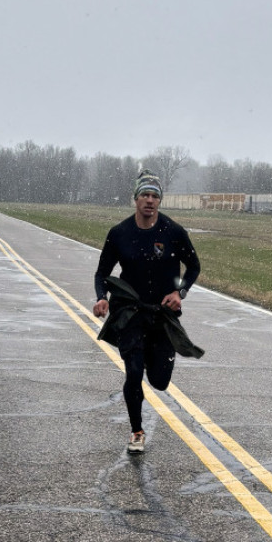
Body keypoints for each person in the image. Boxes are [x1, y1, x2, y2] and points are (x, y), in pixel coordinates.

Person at [93, 171, 201, 454]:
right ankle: (137, 432)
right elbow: (102, 272)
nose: (150, 201)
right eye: (145, 195)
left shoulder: (174, 232)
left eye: (155, 196)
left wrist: (180, 292)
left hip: (161, 317)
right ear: (136, 199)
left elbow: (194, 267)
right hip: (130, 314)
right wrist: (101, 298)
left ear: (160, 201)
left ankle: (156, 373)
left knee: (159, 380)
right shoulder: (119, 233)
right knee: (133, 372)